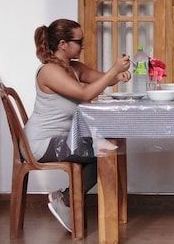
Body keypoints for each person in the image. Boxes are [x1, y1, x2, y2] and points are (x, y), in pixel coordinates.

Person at [25, 19, 131, 232]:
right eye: (79, 41)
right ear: (63, 44)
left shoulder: (73, 68)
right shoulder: (49, 71)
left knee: (108, 148)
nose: (83, 46)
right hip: (41, 143)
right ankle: (66, 201)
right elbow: (85, 93)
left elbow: (103, 80)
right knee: (106, 151)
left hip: (62, 139)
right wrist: (113, 71)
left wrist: (119, 75)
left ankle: (65, 198)